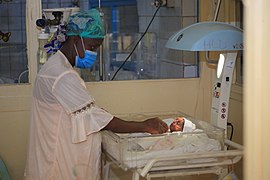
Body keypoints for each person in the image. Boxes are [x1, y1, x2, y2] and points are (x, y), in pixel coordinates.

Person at [24, 9, 168, 180]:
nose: (94, 53)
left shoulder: (56, 67)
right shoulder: (62, 75)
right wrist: (144, 126)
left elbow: (82, 112)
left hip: (54, 158)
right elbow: (94, 118)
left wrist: (97, 113)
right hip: (58, 165)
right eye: (92, 47)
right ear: (76, 40)